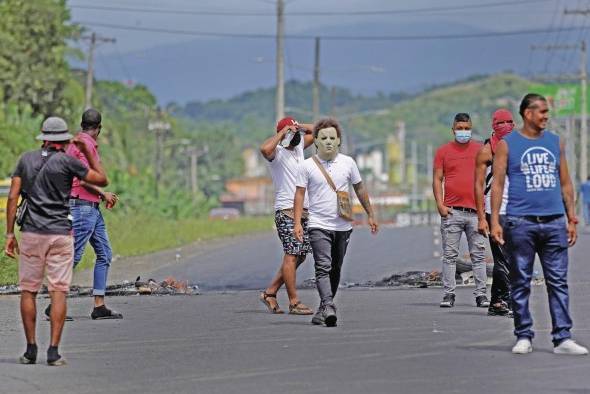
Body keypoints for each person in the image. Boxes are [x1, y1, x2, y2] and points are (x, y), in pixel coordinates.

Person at [4, 117, 108, 366]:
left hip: (31, 234)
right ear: (64, 140)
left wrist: (9, 234)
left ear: (43, 136)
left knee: (28, 290)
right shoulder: (67, 161)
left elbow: (12, 196)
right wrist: (87, 151)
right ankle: (53, 352)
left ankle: (30, 349)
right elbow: (101, 180)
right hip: (60, 234)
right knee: (58, 290)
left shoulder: (26, 160)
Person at [491, 93, 588, 355]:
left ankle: (562, 338)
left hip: (554, 221)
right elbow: (498, 183)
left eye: (547, 111)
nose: (546, 116)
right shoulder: (508, 145)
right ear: (527, 114)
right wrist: (494, 221)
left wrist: (571, 218)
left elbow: (566, 183)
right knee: (520, 280)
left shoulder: (555, 142)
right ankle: (523, 335)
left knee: (557, 281)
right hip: (520, 222)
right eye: (541, 111)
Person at [293, 118, 378, 327]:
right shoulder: (307, 166)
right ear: (317, 142)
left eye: (332, 138)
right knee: (323, 266)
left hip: (343, 225)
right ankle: (329, 304)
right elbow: (299, 195)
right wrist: (297, 223)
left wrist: (371, 214)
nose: (328, 142)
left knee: (336, 267)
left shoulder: (348, 163)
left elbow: (360, 189)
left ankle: (323, 309)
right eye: (323, 138)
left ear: (339, 141)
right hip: (318, 224)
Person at [45, 109, 122, 321]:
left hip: (90, 207)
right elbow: (85, 178)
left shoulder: (74, 143)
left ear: (82, 124)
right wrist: (104, 194)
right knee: (74, 256)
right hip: (82, 206)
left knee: (105, 253)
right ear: (99, 128)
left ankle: (99, 306)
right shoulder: (85, 145)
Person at [259, 117, 315, 315]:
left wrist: (300, 127)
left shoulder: (299, 149)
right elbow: (264, 149)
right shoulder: (278, 154)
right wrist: (283, 132)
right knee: (291, 255)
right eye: (293, 135)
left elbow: (319, 132)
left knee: (300, 256)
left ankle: (270, 292)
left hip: (304, 211)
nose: (297, 138)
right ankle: (294, 302)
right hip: (286, 211)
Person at [433, 113, 489, 309]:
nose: (463, 132)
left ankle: (481, 295)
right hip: (452, 213)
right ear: (453, 130)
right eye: (460, 128)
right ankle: (449, 294)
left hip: (476, 213)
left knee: (479, 255)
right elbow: (437, 178)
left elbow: (492, 177)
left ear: (471, 128)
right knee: (449, 255)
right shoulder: (443, 152)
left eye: (467, 128)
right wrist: (440, 204)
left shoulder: (480, 149)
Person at [474, 109, 514, 317]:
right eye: (501, 123)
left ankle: (498, 301)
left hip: (517, 210)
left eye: (509, 122)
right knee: (503, 257)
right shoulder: (487, 151)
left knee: (514, 257)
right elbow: (478, 185)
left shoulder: (519, 146)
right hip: (494, 211)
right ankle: (506, 301)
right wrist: (481, 218)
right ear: (493, 126)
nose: (506, 125)